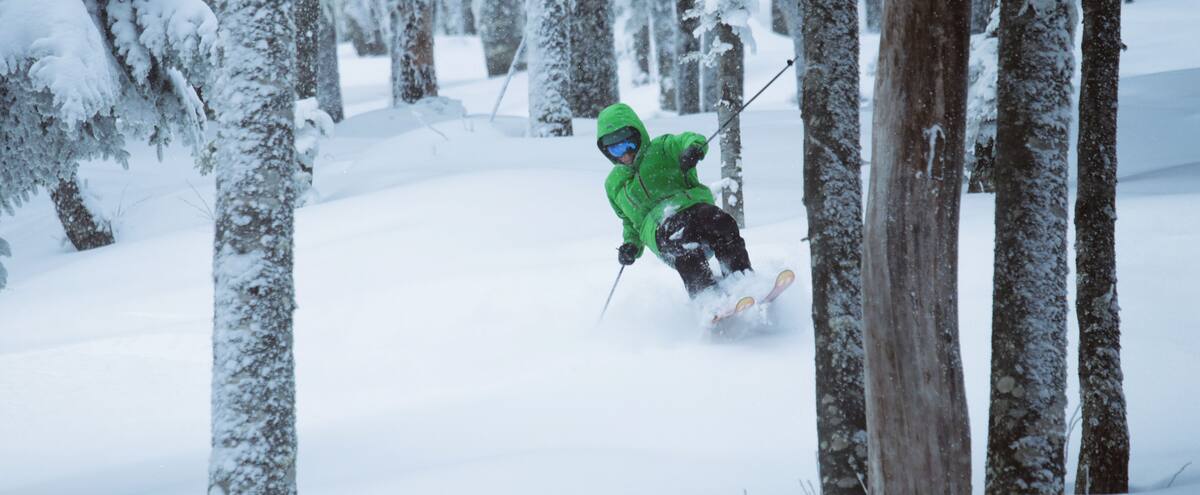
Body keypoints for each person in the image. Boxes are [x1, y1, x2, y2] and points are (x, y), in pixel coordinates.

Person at [597, 103, 752, 297]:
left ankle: (741, 279)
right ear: (606, 151)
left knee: (721, 222)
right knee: (680, 237)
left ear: (638, 136)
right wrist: (631, 245)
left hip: (692, 206)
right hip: (659, 228)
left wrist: (693, 149)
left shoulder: (661, 149)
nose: (625, 154)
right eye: (615, 149)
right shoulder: (614, 184)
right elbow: (630, 221)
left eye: (628, 144)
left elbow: (688, 139)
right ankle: (706, 296)